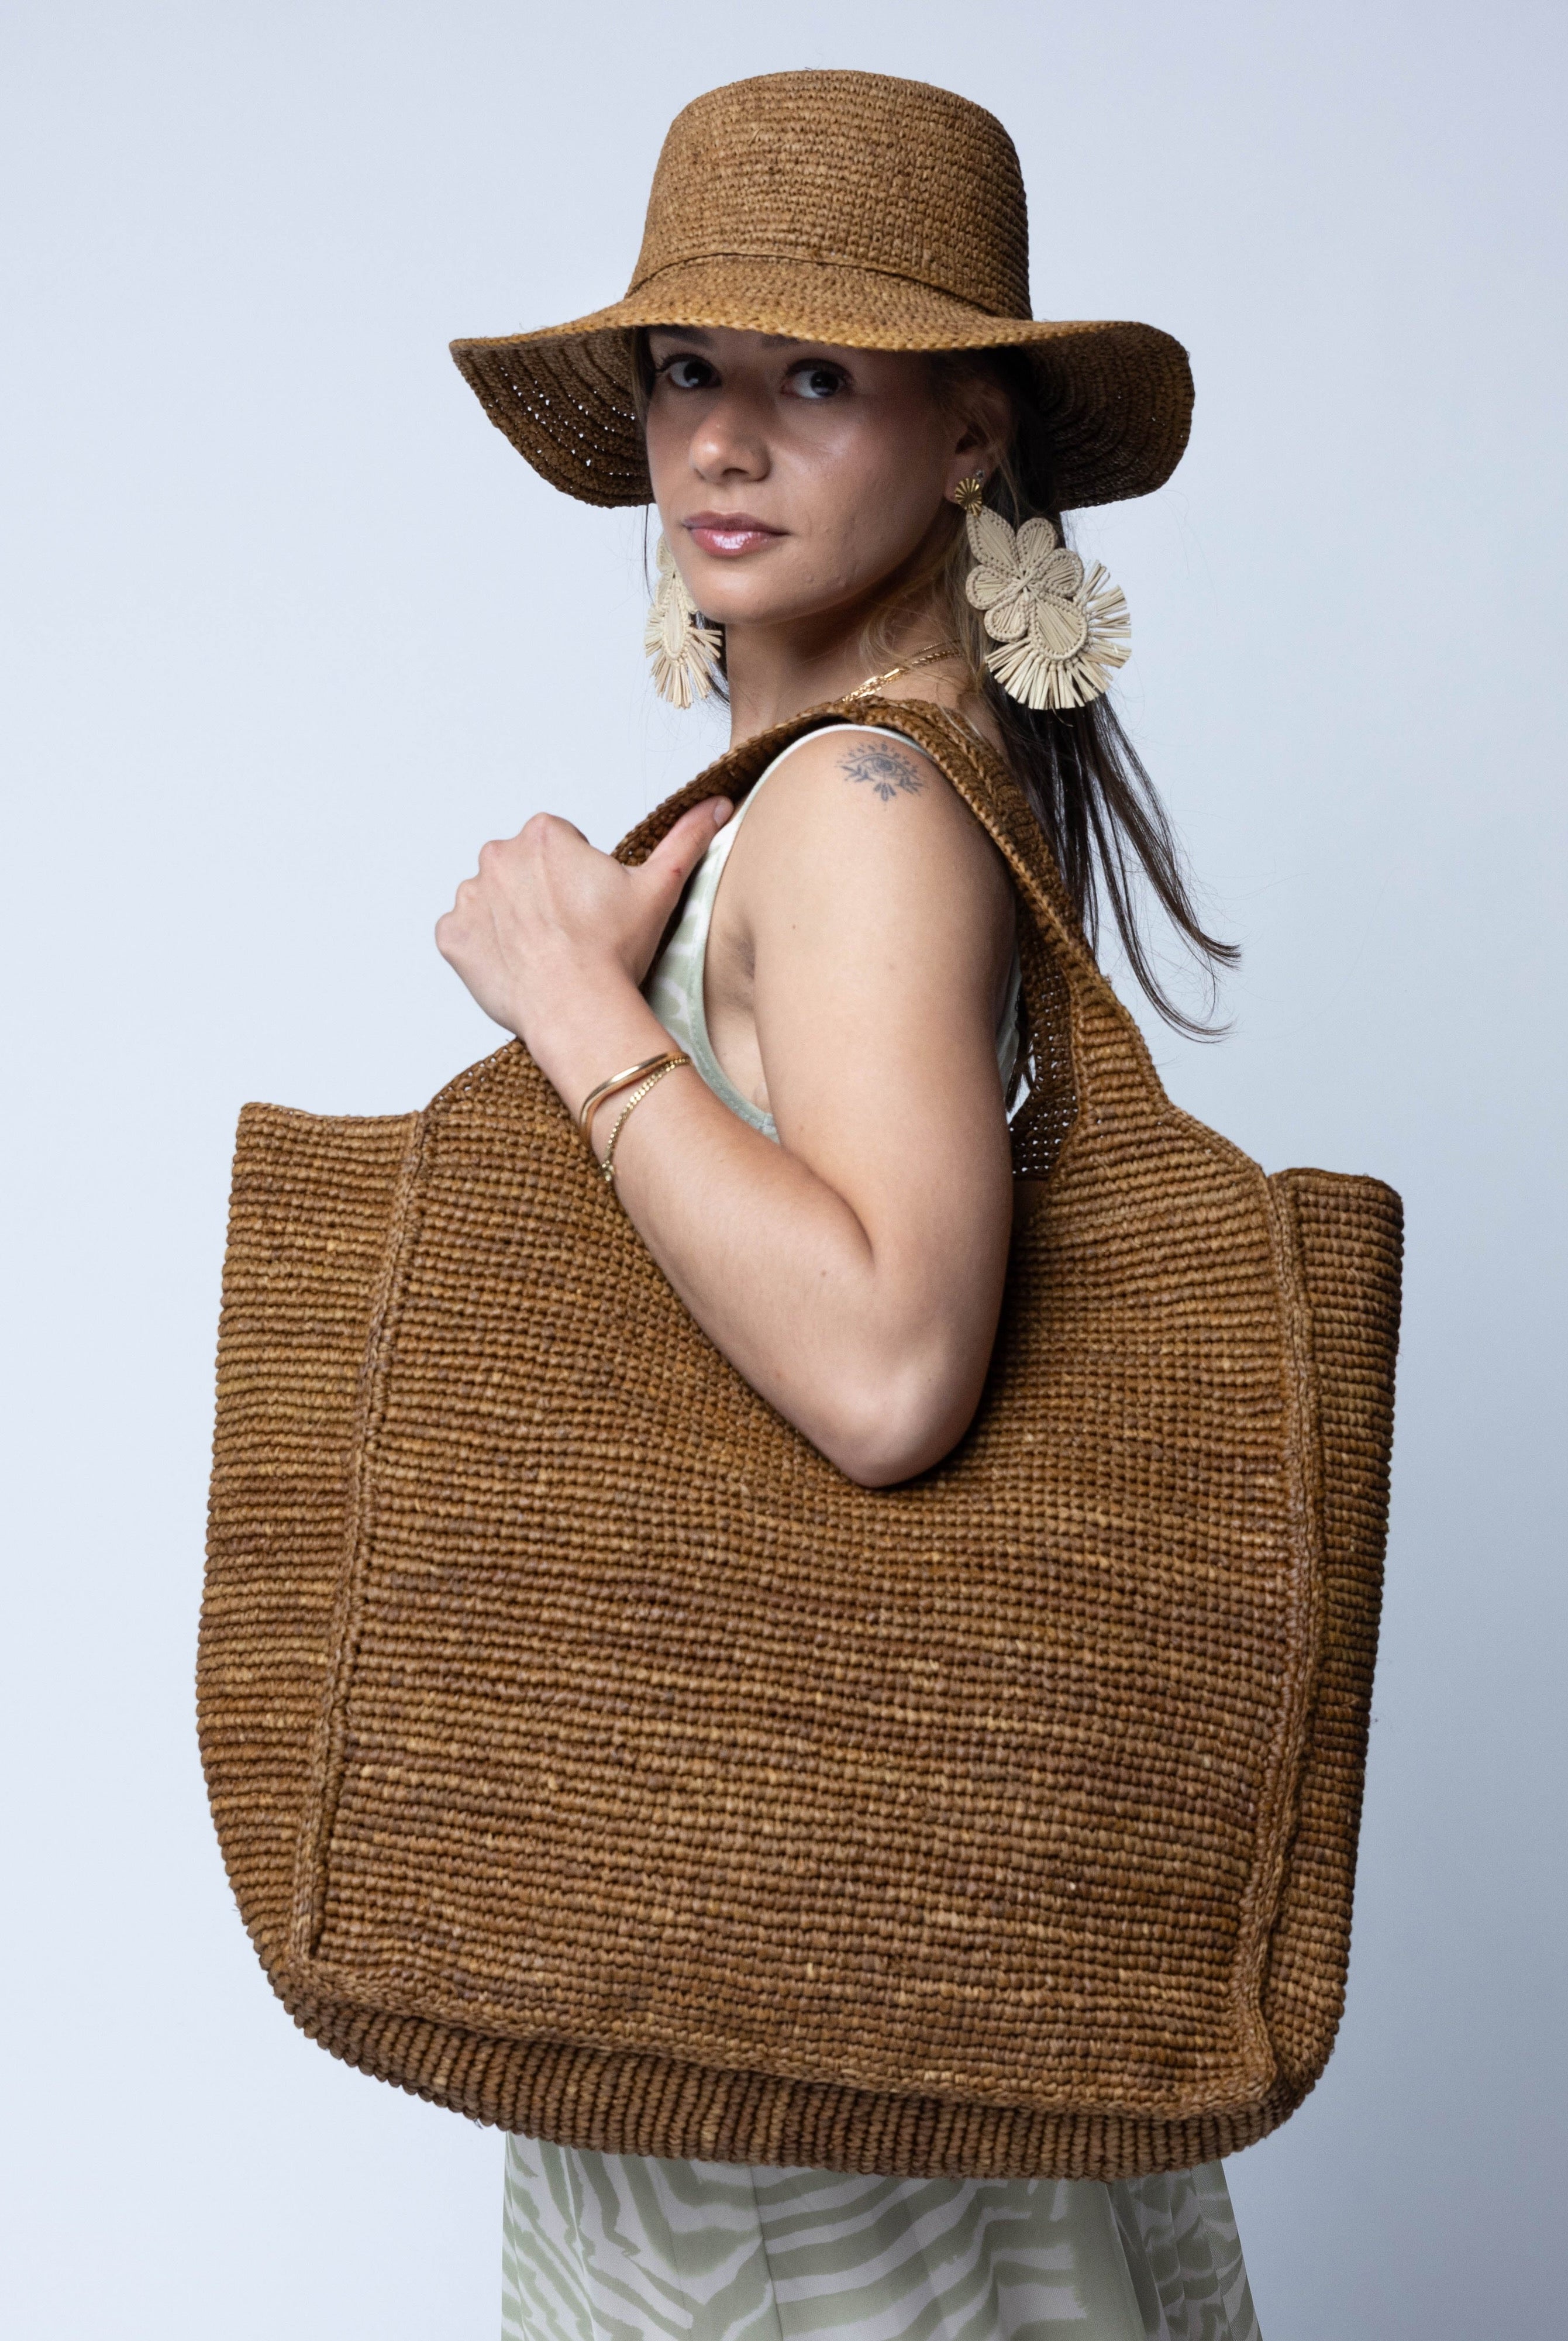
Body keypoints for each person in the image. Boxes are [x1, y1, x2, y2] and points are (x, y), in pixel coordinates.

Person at [436, 68, 1261, 2341]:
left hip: (796, 1992)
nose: (718, 440)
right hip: (804, 1912)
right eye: (689, 369)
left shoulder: (865, 799)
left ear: (970, 437)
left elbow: (893, 1364)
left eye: (816, 376)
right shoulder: (860, 781)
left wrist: (564, 1006)